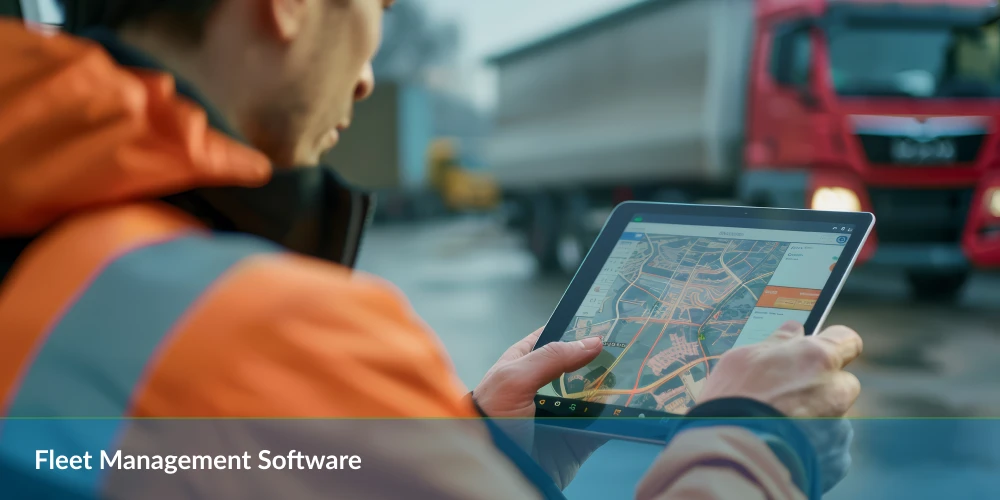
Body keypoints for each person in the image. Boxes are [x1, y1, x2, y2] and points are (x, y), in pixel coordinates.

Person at [0, 1, 863, 498]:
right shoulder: (251, 325)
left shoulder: (52, 234)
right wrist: (753, 443)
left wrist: (476, 442)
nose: (369, 74)